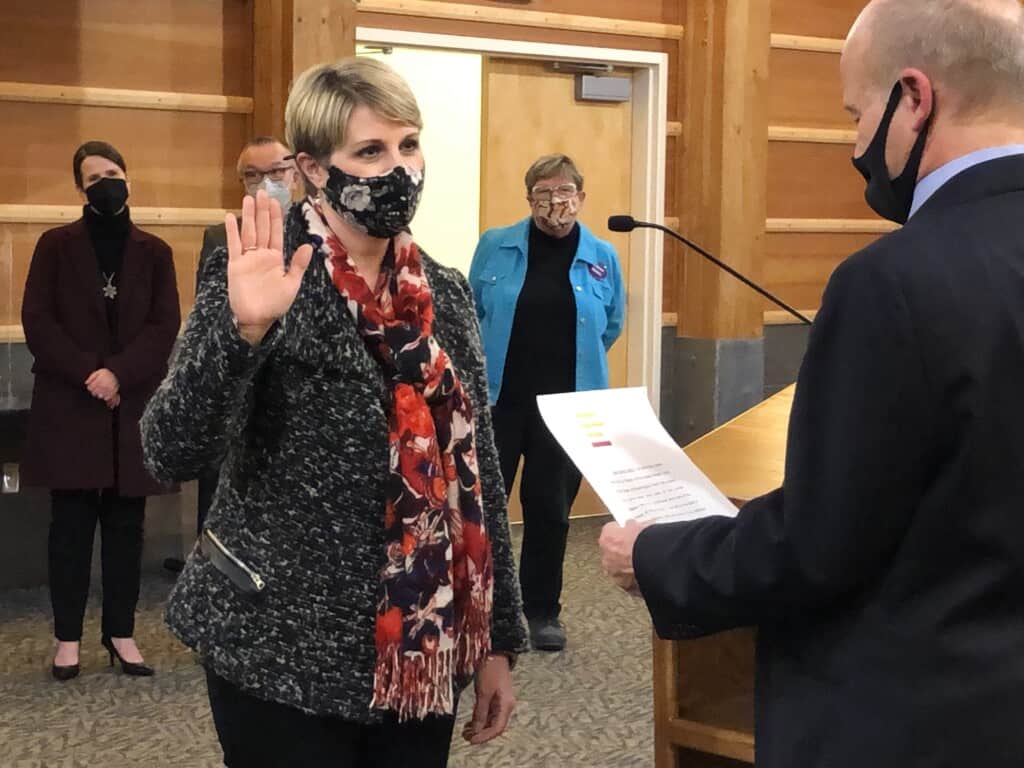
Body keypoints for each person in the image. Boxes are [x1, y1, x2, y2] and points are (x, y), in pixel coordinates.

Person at [599, 1, 1024, 766]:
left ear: (915, 97)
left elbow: (819, 545)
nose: (855, 143)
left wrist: (658, 557)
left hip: (918, 716)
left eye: (857, 114)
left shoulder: (894, 281)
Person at [141, 58, 526, 767]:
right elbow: (172, 450)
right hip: (279, 645)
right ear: (314, 169)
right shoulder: (265, 268)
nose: (399, 169)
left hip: (420, 646)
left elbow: (478, 471)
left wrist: (498, 639)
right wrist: (243, 334)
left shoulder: (443, 290)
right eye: (371, 151)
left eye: (409, 146)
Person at [21, 140, 180, 681]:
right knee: (68, 528)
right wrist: (93, 372)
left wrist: (119, 374)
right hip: (71, 403)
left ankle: (122, 634)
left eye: (113, 173)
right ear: (79, 189)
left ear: (128, 180)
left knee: (125, 527)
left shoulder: (154, 252)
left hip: (130, 404)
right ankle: (67, 639)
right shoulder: (54, 245)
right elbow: (37, 321)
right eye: (93, 178)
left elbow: (164, 327)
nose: (105, 183)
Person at [469, 155, 625, 651]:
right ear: (528, 198)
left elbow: (612, 323)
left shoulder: (602, 256)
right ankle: (484, 613)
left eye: (565, 192)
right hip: (500, 402)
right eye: (543, 192)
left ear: (581, 195)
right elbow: (471, 311)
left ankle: (542, 612)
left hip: (567, 410)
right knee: (483, 509)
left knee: (550, 510)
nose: (555, 202)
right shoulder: (496, 246)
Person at [195, 137, 298, 537]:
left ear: (297, 174)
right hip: (239, 381)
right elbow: (208, 321)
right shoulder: (222, 238)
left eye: (275, 172)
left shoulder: (323, 233)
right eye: (252, 176)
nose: (265, 183)